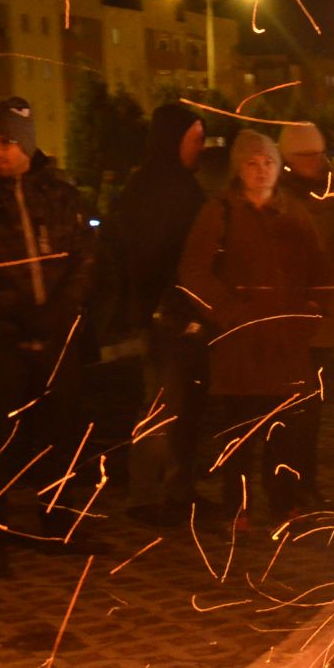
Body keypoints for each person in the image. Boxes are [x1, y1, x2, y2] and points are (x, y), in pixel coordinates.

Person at [0, 96, 96, 574]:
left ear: (26, 144)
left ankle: (57, 519)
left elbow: (84, 258)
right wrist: (14, 312)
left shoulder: (60, 193)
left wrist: (58, 313)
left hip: (56, 333)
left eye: (6, 142)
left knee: (61, 429)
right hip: (1, 337)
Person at [178, 131, 328, 527]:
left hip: (284, 341)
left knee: (285, 430)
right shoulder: (219, 212)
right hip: (241, 342)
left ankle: (283, 502)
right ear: (238, 169)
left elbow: (318, 269)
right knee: (240, 431)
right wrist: (228, 312)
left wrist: (311, 313)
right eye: (252, 163)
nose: (261, 171)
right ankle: (237, 506)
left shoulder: (294, 212)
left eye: (268, 163)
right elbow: (194, 272)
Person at [108, 103, 209, 524]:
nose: (200, 148)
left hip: (188, 313)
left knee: (187, 404)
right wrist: (163, 305)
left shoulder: (182, 185)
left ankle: (179, 488)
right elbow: (145, 256)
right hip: (164, 315)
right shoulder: (154, 190)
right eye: (195, 139)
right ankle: (146, 496)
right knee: (162, 405)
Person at [277, 123, 334, 510]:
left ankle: (306, 484)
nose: (312, 161)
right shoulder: (280, 196)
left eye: (315, 153)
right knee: (290, 409)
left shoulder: (331, 191)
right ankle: (285, 490)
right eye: (302, 155)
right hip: (293, 317)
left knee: (313, 408)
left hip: (324, 316)